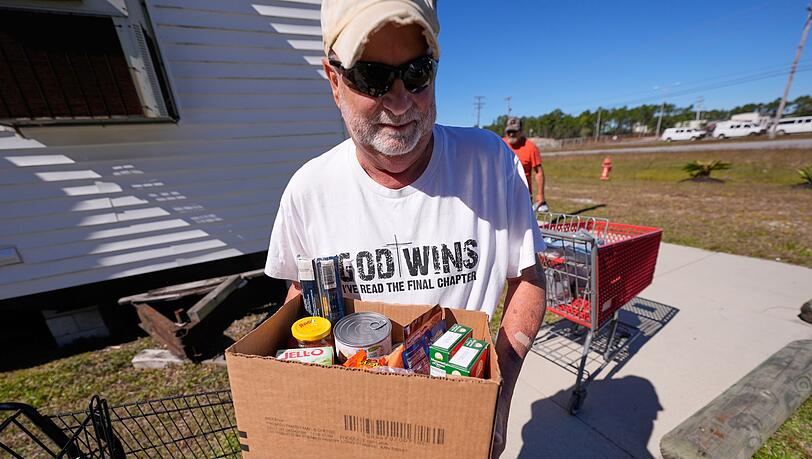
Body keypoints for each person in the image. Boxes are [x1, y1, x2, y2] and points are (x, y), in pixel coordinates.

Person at [264, 1, 546, 455]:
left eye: (417, 73)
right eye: (371, 76)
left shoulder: (492, 164)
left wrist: (500, 392)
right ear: (334, 81)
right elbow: (302, 294)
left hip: (457, 423)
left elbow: (528, 279)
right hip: (355, 429)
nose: (398, 102)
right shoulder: (308, 190)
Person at [503, 117, 548, 212]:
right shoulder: (500, 145)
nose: (511, 134)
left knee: (522, 221)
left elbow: (538, 172)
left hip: (523, 196)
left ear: (521, 131)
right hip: (502, 194)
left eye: (514, 131)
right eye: (509, 131)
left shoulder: (531, 148)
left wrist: (540, 194)